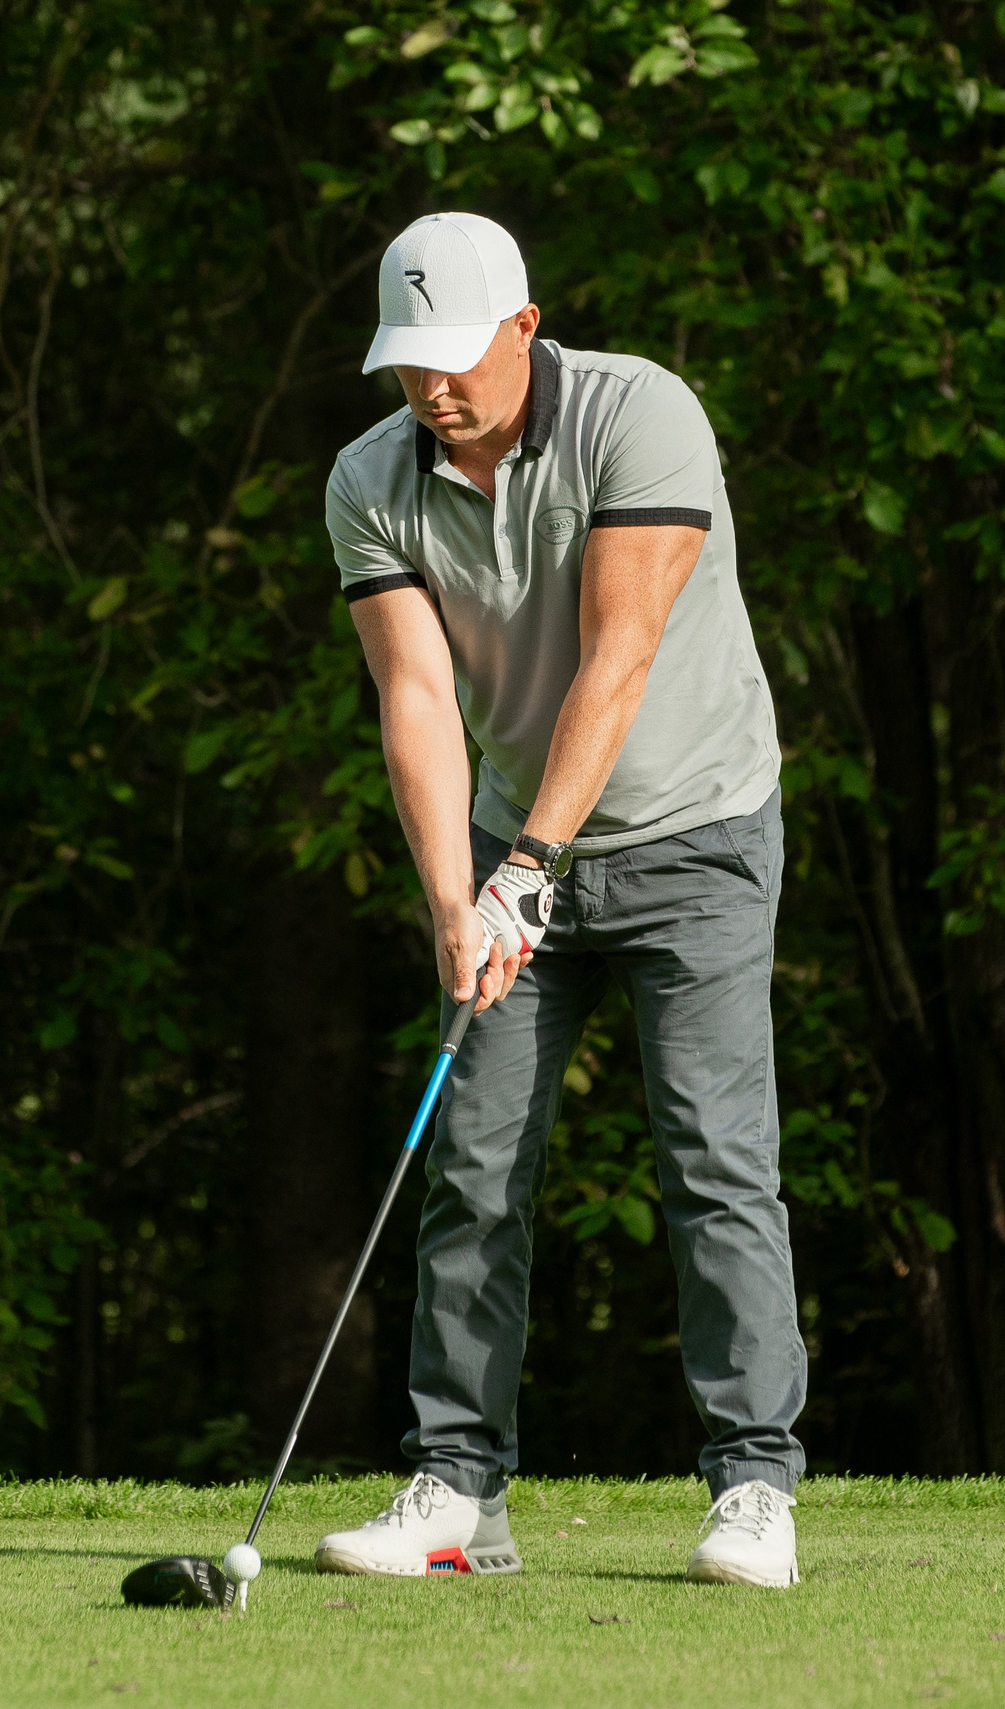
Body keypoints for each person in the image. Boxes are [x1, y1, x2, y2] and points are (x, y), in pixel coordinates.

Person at [311, 212, 805, 1588]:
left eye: (456, 357)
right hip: (510, 851)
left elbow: (622, 650)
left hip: (695, 833)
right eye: (408, 364)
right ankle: (457, 1489)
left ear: (524, 327)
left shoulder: (640, 415)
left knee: (714, 1156)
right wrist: (456, 894)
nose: (432, 388)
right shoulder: (372, 479)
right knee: (473, 1160)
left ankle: (753, 1486)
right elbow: (417, 696)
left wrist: (528, 864)